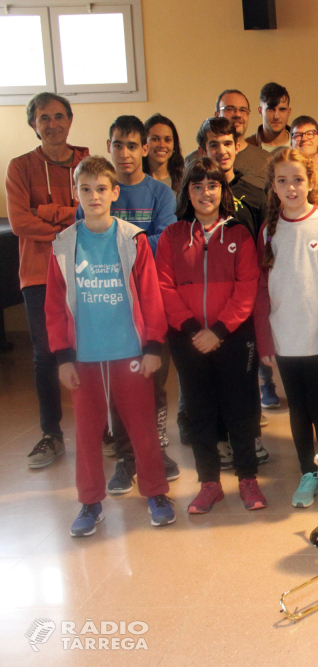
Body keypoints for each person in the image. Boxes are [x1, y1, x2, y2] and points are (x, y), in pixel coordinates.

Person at [45, 155, 174, 536]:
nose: (94, 196)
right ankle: (90, 503)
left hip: (129, 353)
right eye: (85, 189)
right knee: (86, 435)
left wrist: (153, 345)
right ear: (76, 194)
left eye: (101, 188)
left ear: (114, 192)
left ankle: (155, 493)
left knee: (143, 428)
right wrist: (62, 356)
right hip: (84, 357)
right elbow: (54, 306)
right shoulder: (64, 244)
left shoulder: (132, 239)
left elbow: (150, 296)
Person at [156, 158, 265, 513]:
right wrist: (193, 331)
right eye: (197, 186)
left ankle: (247, 480)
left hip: (232, 337)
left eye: (213, 186)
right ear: (186, 191)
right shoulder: (172, 236)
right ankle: (209, 484)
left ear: (223, 190)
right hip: (187, 340)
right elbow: (164, 286)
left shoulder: (238, 233)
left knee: (240, 410)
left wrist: (218, 331)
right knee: (200, 412)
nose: (205, 193)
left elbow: (247, 287)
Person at [254, 149, 318, 509]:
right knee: (297, 412)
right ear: (273, 187)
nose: (291, 187)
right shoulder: (269, 229)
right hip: (285, 340)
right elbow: (262, 289)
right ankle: (307, 473)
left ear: (311, 182)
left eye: (298, 179)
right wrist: (265, 339)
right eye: (282, 181)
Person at [90, 115, 179, 494]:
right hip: (111, 304)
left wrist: (122, 245)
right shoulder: (99, 194)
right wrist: (133, 246)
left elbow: (163, 241)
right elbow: (90, 243)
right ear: (108, 147)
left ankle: (156, 450)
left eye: (131, 145)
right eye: (117, 145)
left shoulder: (160, 194)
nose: (124, 153)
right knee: (119, 385)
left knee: (154, 381)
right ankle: (127, 459)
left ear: (145, 149)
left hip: (151, 300)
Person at [6, 92, 89, 470]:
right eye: (44, 118)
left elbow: (95, 213)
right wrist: (66, 221)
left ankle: (101, 427)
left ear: (70, 120)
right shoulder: (19, 167)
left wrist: (49, 212)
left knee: (90, 348)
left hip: (86, 268)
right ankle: (51, 434)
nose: (52, 123)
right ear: (33, 125)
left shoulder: (89, 163)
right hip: (38, 272)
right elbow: (20, 222)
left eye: (59, 116)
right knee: (46, 354)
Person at [195, 117, 274, 445]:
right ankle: (218, 438)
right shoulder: (197, 192)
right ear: (204, 149)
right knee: (211, 376)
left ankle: (249, 437)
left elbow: (264, 246)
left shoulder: (254, 195)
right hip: (208, 300)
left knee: (244, 374)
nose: (222, 151)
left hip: (246, 298)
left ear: (238, 146)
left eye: (228, 143)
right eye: (214, 145)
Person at [185, 89, 270, 189]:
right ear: (217, 115)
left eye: (243, 110)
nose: (237, 115)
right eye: (229, 109)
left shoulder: (266, 159)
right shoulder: (194, 159)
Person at [142, 114, 184, 193]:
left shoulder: (184, 182)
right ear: (144, 143)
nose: (162, 145)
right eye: (155, 139)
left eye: (167, 140)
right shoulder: (134, 181)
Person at [247, 82, 291, 152]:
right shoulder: (247, 147)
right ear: (260, 111)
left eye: (282, 109)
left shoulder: (300, 145)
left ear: (289, 112)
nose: (276, 116)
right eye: (271, 109)